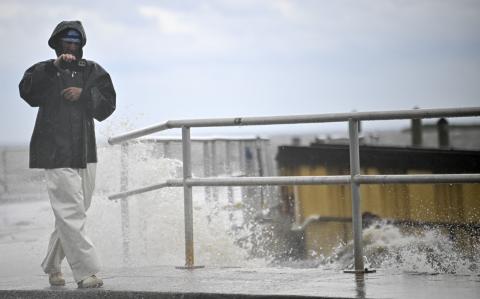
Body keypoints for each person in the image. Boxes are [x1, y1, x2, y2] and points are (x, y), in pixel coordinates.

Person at [19, 20, 116, 288]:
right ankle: (87, 272)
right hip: (54, 153)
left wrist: (84, 95)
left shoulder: (93, 71)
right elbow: (27, 93)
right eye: (66, 40)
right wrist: (52, 69)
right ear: (56, 43)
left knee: (75, 212)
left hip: (85, 153)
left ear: (82, 43)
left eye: (75, 40)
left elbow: (108, 105)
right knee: (71, 213)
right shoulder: (43, 70)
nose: (70, 44)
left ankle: (52, 264)